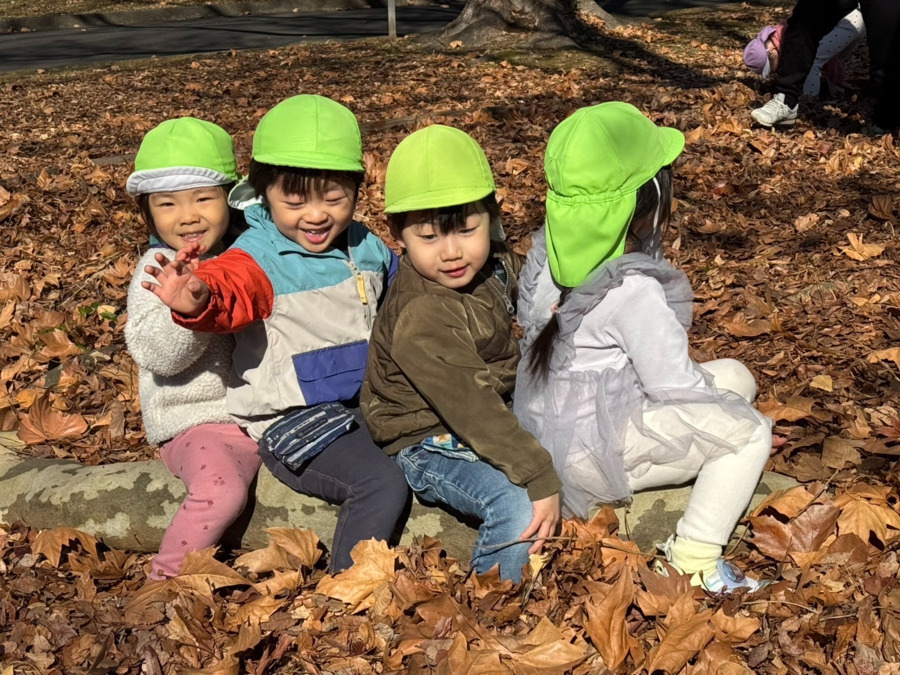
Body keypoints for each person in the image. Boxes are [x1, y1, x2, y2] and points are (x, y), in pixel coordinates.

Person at [140, 95, 410, 572]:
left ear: (356, 190)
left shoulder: (365, 245)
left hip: (362, 400)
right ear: (263, 193)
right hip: (290, 416)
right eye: (295, 200)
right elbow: (229, 290)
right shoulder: (259, 254)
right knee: (381, 481)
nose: (316, 215)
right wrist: (197, 299)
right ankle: (346, 589)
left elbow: (404, 289)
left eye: (334, 197)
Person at [514, 102, 773, 592]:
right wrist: (727, 419)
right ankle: (693, 559)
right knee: (750, 433)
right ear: (649, 201)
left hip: (555, 422)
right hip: (592, 453)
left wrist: (721, 396)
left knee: (737, 376)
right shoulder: (632, 290)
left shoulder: (548, 252)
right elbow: (674, 387)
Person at [361, 125, 562, 583]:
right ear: (399, 234)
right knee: (515, 503)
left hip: (481, 405)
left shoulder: (488, 263)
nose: (452, 253)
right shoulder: (425, 313)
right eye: (429, 238)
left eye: (467, 230)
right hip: (426, 435)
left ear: (489, 219)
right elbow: (472, 408)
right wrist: (538, 476)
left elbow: (521, 280)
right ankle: (495, 609)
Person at [124, 117, 261, 580]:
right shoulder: (157, 268)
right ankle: (164, 579)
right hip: (194, 420)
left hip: (263, 413)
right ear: (149, 213)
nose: (187, 216)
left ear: (231, 199)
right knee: (222, 491)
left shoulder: (249, 255)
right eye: (167, 204)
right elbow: (158, 355)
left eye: (203, 198)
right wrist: (191, 309)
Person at [750, 0, 900, 130]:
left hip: (855, 22)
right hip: (846, 19)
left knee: (886, 23)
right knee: (806, 16)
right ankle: (786, 100)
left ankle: (886, 119)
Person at [743, 10, 865, 99]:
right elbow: (829, 57)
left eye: (771, 67)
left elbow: (813, 58)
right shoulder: (781, 35)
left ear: (771, 50)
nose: (775, 71)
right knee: (824, 56)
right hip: (855, 19)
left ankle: (809, 99)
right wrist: (834, 81)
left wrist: (805, 101)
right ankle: (827, 90)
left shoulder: (789, 40)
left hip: (848, 22)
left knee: (811, 61)